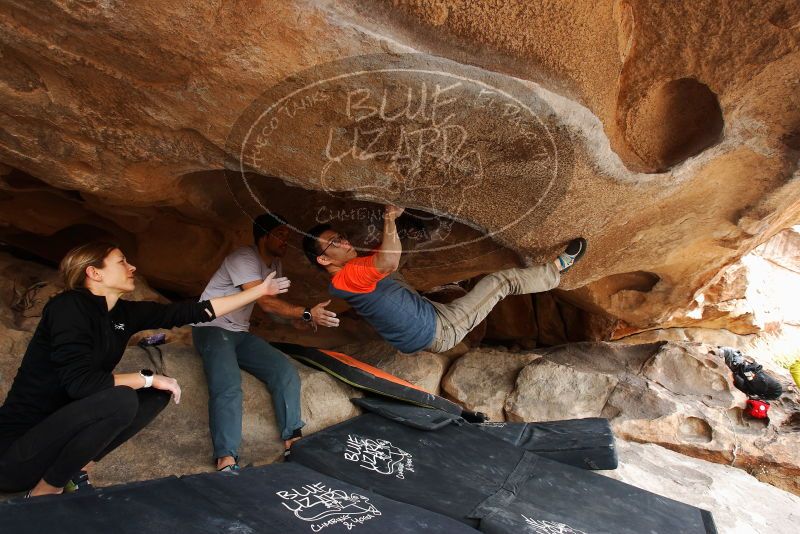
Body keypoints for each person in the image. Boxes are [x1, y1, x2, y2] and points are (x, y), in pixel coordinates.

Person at [0, 242, 289, 498]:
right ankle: (46, 491)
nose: (132, 266)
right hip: (15, 457)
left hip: (52, 447)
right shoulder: (68, 307)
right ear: (94, 273)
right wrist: (147, 378)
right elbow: (81, 385)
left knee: (153, 396)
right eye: (121, 261)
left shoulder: (122, 313)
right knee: (125, 397)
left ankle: (77, 469)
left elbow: (192, 311)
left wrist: (259, 292)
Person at [303, 206, 586, 354]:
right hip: (440, 329)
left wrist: (400, 225)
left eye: (341, 236)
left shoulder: (354, 271)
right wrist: (389, 218)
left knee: (403, 277)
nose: (345, 241)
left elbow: (385, 259)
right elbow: (388, 261)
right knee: (501, 282)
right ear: (324, 259)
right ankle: (556, 271)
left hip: (428, 320)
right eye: (335, 242)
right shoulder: (347, 278)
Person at [192, 213, 338, 472]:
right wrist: (305, 311)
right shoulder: (244, 258)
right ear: (264, 235)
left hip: (239, 333)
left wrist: (295, 321)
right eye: (280, 234)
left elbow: (271, 312)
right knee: (228, 386)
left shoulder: (274, 267)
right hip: (212, 328)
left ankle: (293, 439)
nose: (286, 240)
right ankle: (226, 458)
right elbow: (265, 300)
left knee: (284, 371)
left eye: (287, 235)